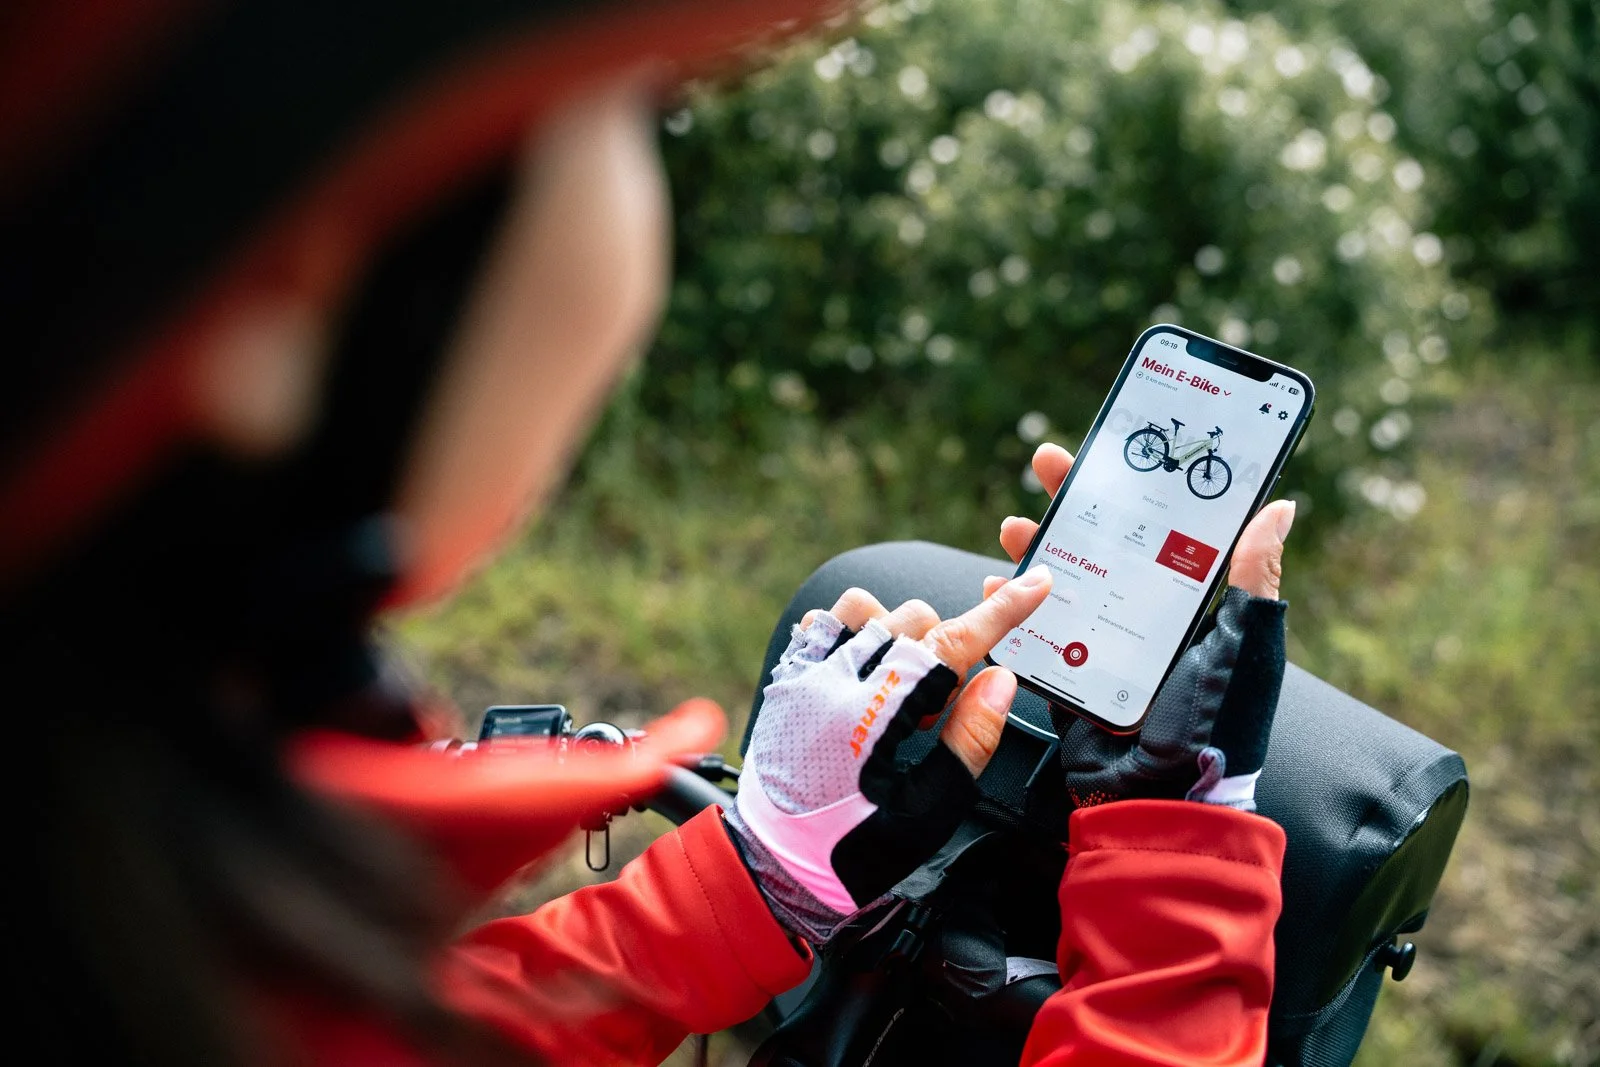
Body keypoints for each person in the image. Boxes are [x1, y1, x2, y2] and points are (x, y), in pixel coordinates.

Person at [0, 1, 1291, 1063]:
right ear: (294, 280)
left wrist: (762, 875)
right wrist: (1176, 872)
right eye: (628, 106)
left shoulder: (118, 925)